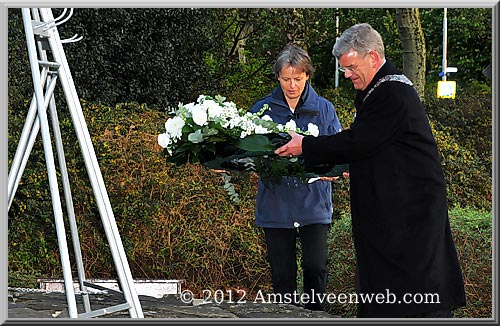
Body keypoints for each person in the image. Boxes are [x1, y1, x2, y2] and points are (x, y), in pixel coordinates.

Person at [275, 23, 466, 318]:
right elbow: (375, 146)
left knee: (416, 295)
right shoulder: (378, 89)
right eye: (344, 69)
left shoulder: (392, 92)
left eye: (351, 67)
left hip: (409, 219)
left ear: (373, 57)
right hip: (394, 215)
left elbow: (359, 140)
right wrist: (346, 165)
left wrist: (307, 146)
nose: (348, 75)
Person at [250, 44, 343, 311]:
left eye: (298, 79)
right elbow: (247, 151)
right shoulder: (261, 110)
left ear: (307, 76)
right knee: (282, 277)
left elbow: (337, 149)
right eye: (286, 79)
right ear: (278, 77)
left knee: (316, 267)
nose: (292, 85)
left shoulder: (325, 109)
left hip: (314, 204)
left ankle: (315, 316)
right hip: (275, 204)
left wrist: (335, 170)